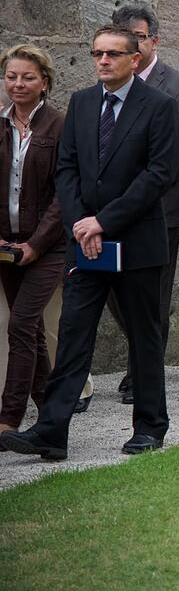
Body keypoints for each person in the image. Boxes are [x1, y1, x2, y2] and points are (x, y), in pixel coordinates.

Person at [0, 25, 179, 460]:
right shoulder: (81, 104)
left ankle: (150, 427)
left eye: (112, 54)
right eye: (97, 53)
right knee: (74, 335)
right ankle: (51, 432)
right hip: (86, 243)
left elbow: (159, 175)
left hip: (135, 244)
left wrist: (103, 221)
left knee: (144, 337)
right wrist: (82, 222)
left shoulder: (159, 107)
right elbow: (68, 169)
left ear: (134, 59)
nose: (102, 61)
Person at [109, 2, 179, 405]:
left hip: (160, 208)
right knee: (111, 288)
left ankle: (144, 373)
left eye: (139, 38)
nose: (133, 45)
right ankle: (143, 358)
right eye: (123, 39)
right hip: (111, 211)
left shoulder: (178, 86)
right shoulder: (107, 88)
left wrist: (129, 190)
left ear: (154, 40)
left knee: (152, 294)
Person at [0, 46, 65, 433]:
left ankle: (9, 417)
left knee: (21, 325)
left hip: (48, 246)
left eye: (27, 77)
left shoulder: (59, 125)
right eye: (11, 76)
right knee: (33, 331)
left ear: (44, 82)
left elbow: (64, 194)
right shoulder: (1, 125)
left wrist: (36, 244)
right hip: (7, 246)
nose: (18, 84)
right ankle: (51, 411)